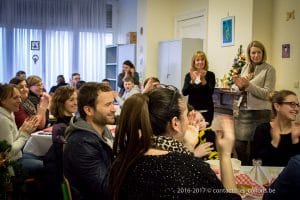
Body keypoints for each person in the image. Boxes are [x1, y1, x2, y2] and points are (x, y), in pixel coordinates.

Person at [109, 86, 241, 199]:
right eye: (186, 115)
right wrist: (225, 155)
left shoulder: (124, 159)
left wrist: (188, 146)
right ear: (175, 123)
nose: (189, 121)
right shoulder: (194, 170)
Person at [63, 82, 116, 199]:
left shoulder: (103, 132)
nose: (113, 109)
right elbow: (105, 189)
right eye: (108, 105)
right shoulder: (82, 143)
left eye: (113, 103)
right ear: (88, 110)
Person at [233, 40, 276, 165]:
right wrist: (239, 86)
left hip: (260, 113)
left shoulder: (269, 69)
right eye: (253, 53)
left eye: (258, 52)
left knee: (256, 148)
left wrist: (248, 85)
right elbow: (239, 88)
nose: (255, 55)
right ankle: (244, 168)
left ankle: (254, 173)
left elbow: (267, 93)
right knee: (239, 144)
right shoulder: (246, 67)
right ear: (249, 54)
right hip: (244, 111)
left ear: (263, 53)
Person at [0, 83, 42, 178]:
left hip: (17, 156)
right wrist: (24, 134)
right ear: (2, 100)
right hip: (9, 165)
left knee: (46, 157)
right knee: (46, 166)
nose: (19, 101)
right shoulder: (2, 119)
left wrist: (22, 130)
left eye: (19, 97)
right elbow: (8, 152)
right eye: (15, 98)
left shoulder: (9, 112)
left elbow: (13, 139)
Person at [43, 86, 77, 200]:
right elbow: (65, 159)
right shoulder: (60, 128)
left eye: (76, 99)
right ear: (62, 103)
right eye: (71, 100)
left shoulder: (73, 121)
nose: (76, 103)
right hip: (59, 175)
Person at [251, 90, 300, 166]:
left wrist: (295, 141)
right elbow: (255, 162)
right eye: (292, 104)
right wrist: (274, 143)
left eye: (298, 105)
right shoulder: (263, 129)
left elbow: (296, 164)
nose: (297, 109)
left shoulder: (298, 131)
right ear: (277, 106)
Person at [182, 51, 216, 126]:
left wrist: (203, 79)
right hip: (192, 110)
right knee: (193, 132)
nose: (200, 62)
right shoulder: (189, 75)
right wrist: (192, 81)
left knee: (205, 132)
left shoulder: (210, 75)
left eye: (202, 59)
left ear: (205, 61)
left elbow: (210, 92)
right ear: (194, 62)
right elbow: (184, 92)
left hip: (207, 110)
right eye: (197, 60)